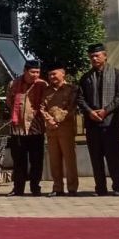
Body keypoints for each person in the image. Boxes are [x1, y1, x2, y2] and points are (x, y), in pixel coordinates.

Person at [78, 42, 119, 196]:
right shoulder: (86, 77)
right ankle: (100, 188)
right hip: (92, 124)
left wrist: (106, 110)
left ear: (105, 56)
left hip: (110, 123)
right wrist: (90, 112)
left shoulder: (117, 74)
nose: (94, 58)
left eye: (97, 55)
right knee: (96, 158)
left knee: (114, 157)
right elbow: (80, 98)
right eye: (91, 56)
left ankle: (118, 187)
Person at [7, 60, 47, 196]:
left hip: (36, 129)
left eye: (38, 72)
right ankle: (18, 188)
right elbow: (9, 102)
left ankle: (35, 187)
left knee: (36, 161)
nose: (35, 75)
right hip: (18, 128)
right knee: (19, 160)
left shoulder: (42, 85)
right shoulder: (14, 84)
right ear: (25, 71)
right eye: (32, 72)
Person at [41, 63, 79, 197]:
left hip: (66, 128)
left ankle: (72, 187)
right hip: (51, 129)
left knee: (69, 159)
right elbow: (42, 107)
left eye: (54, 74)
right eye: (50, 75)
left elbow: (72, 108)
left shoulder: (71, 89)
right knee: (54, 159)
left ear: (63, 74)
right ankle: (57, 188)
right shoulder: (47, 90)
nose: (52, 77)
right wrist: (49, 120)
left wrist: (57, 119)